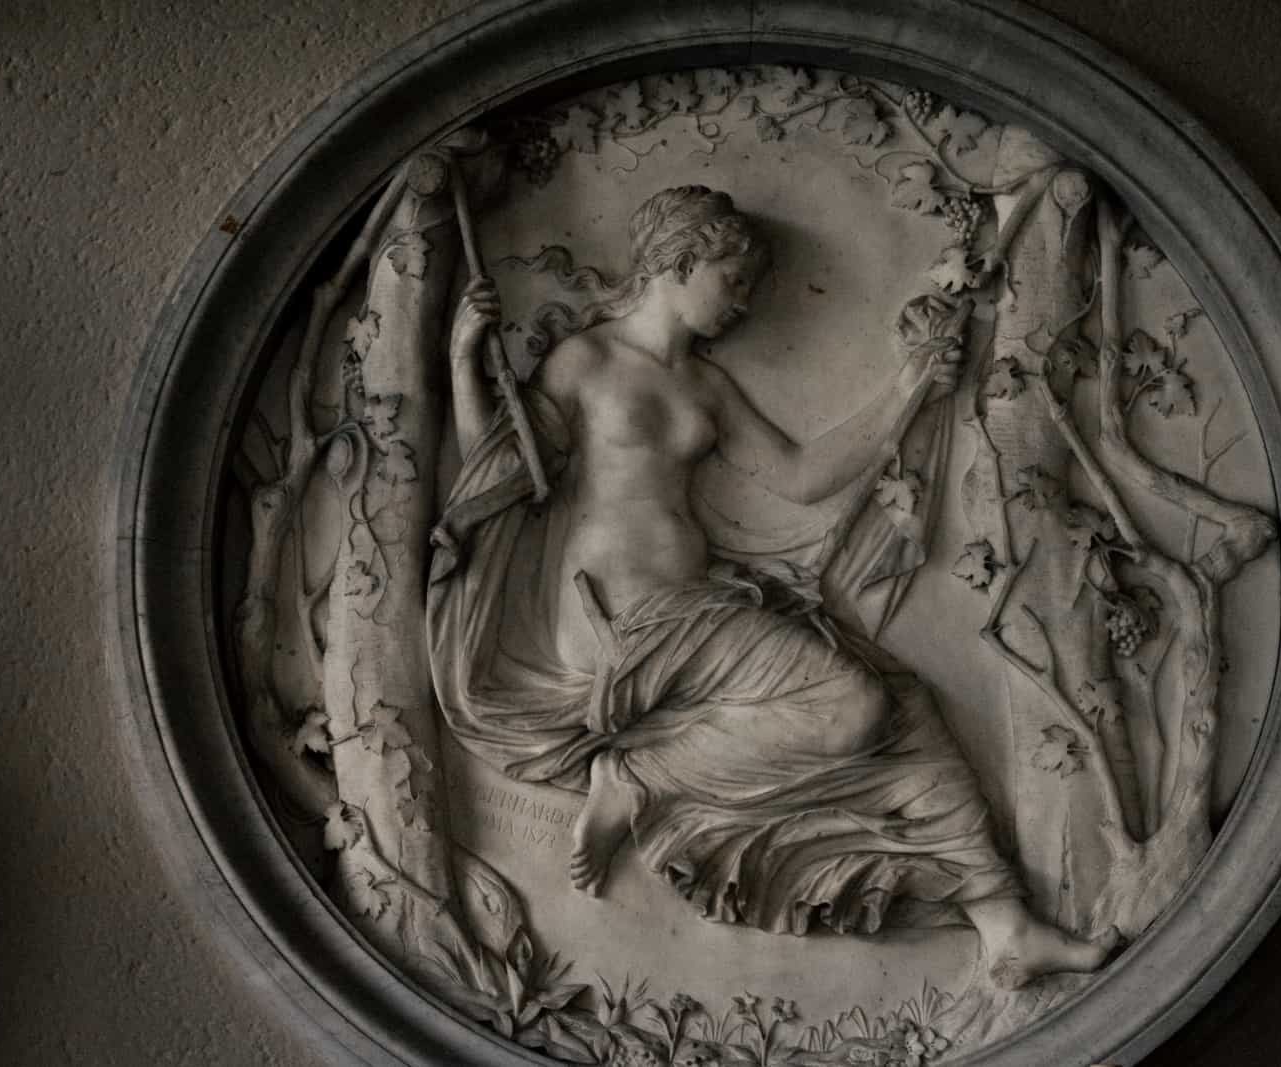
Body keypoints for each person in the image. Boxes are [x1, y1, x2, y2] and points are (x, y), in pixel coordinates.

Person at [429, 185, 1116, 985]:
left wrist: (909, 386)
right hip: (623, 622)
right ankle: (639, 776)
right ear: (678, 262)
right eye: (734, 277)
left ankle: (1003, 922)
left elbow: (800, 476)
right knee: (851, 705)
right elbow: (499, 478)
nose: (745, 300)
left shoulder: (706, 387)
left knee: (900, 707)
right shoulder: (586, 360)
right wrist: (462, 360)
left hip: (703, 610)